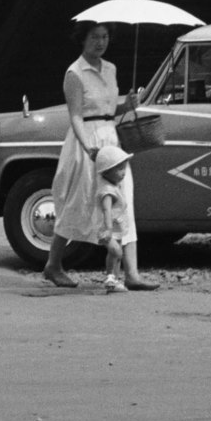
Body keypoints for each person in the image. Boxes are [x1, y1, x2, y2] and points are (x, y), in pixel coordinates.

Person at [42, 20, 160, 291]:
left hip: (111, 140)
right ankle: (53, 264)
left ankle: (132, 274)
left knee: (123, 199)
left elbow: (109, 110)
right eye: (95, 36)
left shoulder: (111, 69)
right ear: (83, 39)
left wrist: (126, 105)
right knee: (79, 202)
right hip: (86, 141)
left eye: (105, 36)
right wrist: (87, 147)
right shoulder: (74, 73)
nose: (100, 42)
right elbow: (76, 115)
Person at [93, 144, 134, 293]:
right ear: (107, 171)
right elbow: (106, 210)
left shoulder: (114, 184)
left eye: (124, 168)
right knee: (116, 252)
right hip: (107, 228)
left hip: (116, 227)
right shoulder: (107, 190)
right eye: (119, 169)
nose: (123, 172)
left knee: (115, 254)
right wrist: (108, 228)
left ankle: (114, 280)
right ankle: (110, 277)